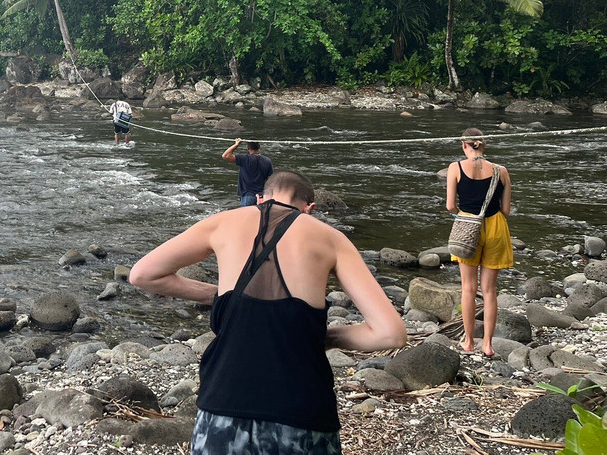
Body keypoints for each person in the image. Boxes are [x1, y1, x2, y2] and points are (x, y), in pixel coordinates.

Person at [131, 171, 406, 455]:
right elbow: (390, 334)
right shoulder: (331, 238)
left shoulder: (222, 222)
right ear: (310, 208)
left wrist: (221, 296)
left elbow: (142, 274)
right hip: (302, 413)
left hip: (222, 406)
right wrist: (326, 337)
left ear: (260, 198)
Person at [446, 127, 513, 357]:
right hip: (495, 227)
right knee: (490, 290)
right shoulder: (501, 171)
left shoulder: (455, 168)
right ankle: (487, 345)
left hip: (467, 227)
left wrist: (463, 216)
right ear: (484, 145)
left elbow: (450, 205)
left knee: (468, 288)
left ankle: (468, 342)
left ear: (464, 145)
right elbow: (506, 209)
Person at [222, 139, 273, 206]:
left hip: (247, 196)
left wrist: (236, 144)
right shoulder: (267, 161)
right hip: (261, 197)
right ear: (259, 146)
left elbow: (225, 156)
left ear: (248, 148)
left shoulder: (244, 159)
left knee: (245, 212)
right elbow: (270, 180)